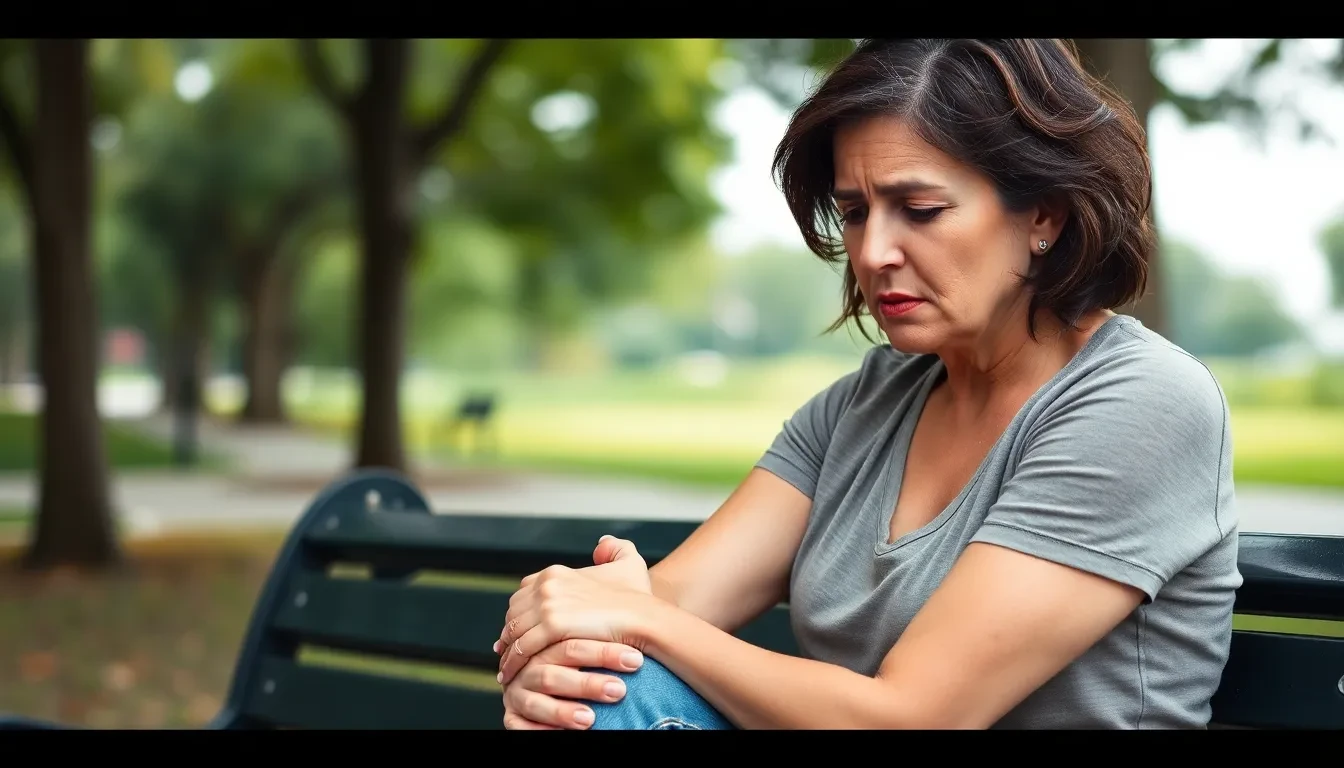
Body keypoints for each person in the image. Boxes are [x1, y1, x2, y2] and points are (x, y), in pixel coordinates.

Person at [493, 38, 1241, 730]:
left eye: (920, 209)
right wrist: (572, 625)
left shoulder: (1142, 401)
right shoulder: (865, 406)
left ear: (1042, 214)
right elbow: (674, 598)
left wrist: (637, 620)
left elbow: (913, 718)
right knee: (596, 688)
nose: (874, 251)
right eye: (854, 212)